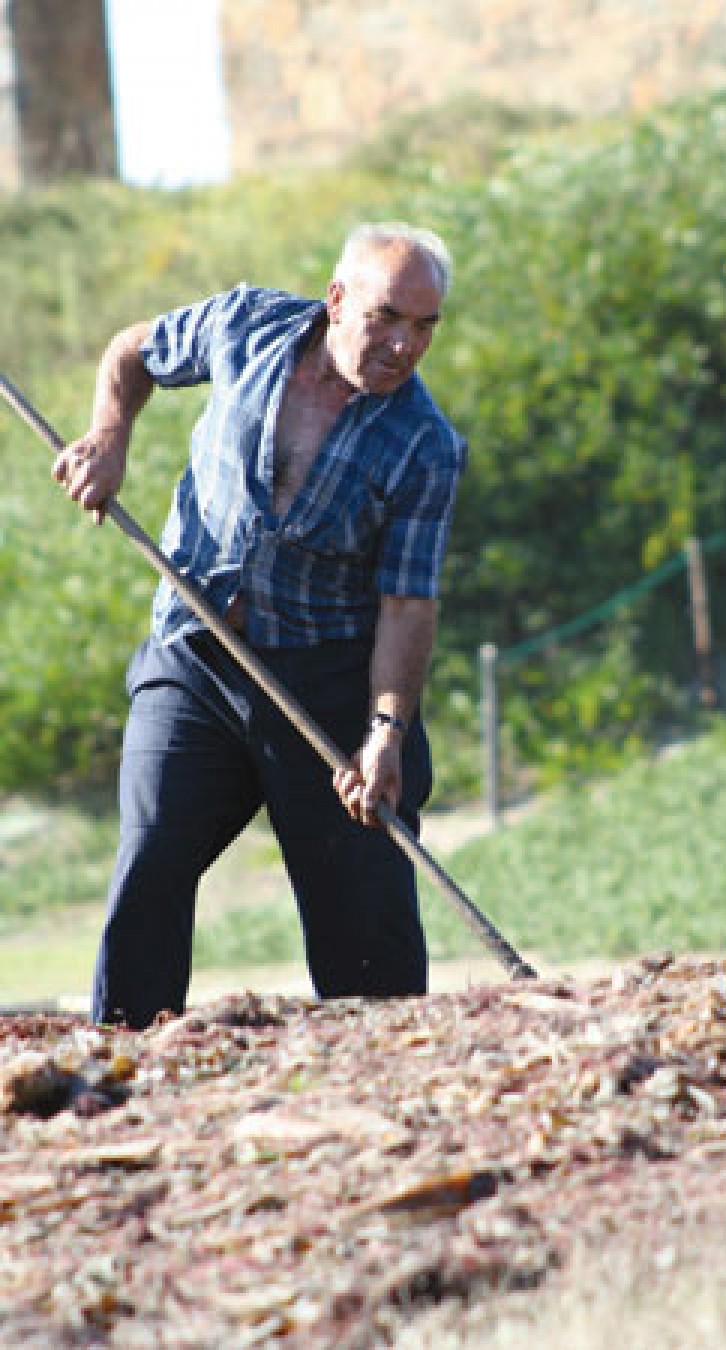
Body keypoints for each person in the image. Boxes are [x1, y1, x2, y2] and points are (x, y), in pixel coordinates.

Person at [53, 222, 467, 1029]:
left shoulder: (425, 445)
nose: (402, 346)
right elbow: (130, 353)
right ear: (337, 300)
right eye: (387, 317)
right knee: (150, 861)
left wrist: (385, 729)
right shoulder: (245, 324)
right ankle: (121, 1064)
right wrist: (109, 435)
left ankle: (385, 1085)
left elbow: (407, 603)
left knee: (368, 948)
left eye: (424, 328)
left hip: (332, 683)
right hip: (197, 653)